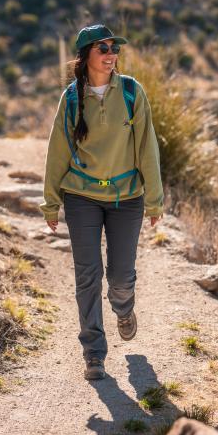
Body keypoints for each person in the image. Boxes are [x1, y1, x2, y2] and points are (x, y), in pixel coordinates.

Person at [40, 24, 164, 381]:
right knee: (87, 275)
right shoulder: (72, 98)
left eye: (114, 49)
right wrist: (51, 202)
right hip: (82, 198)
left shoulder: (131, 92)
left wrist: (154, 199)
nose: (111, 55)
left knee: (121, 278)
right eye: (103, 49)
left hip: (127, 198)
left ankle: (124, 309)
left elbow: (147, 147)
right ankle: (93, 353)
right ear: (85, 57)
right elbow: (58, 151)